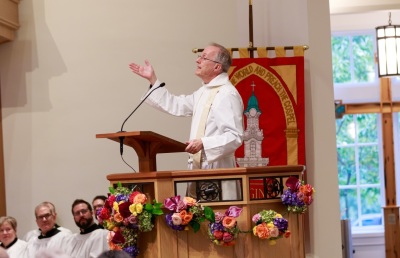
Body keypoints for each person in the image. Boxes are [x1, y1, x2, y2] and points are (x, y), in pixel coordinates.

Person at [129, 42, 244, 199]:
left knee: (217, 220)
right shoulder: (205, 91)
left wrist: (204, 143)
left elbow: (235, 136)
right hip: (198, 167)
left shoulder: (226, 94)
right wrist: (153, 80)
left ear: (217, 67)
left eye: (204, 57)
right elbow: (177, 105)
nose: (198, 60)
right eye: (199, 56)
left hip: (217, 168)